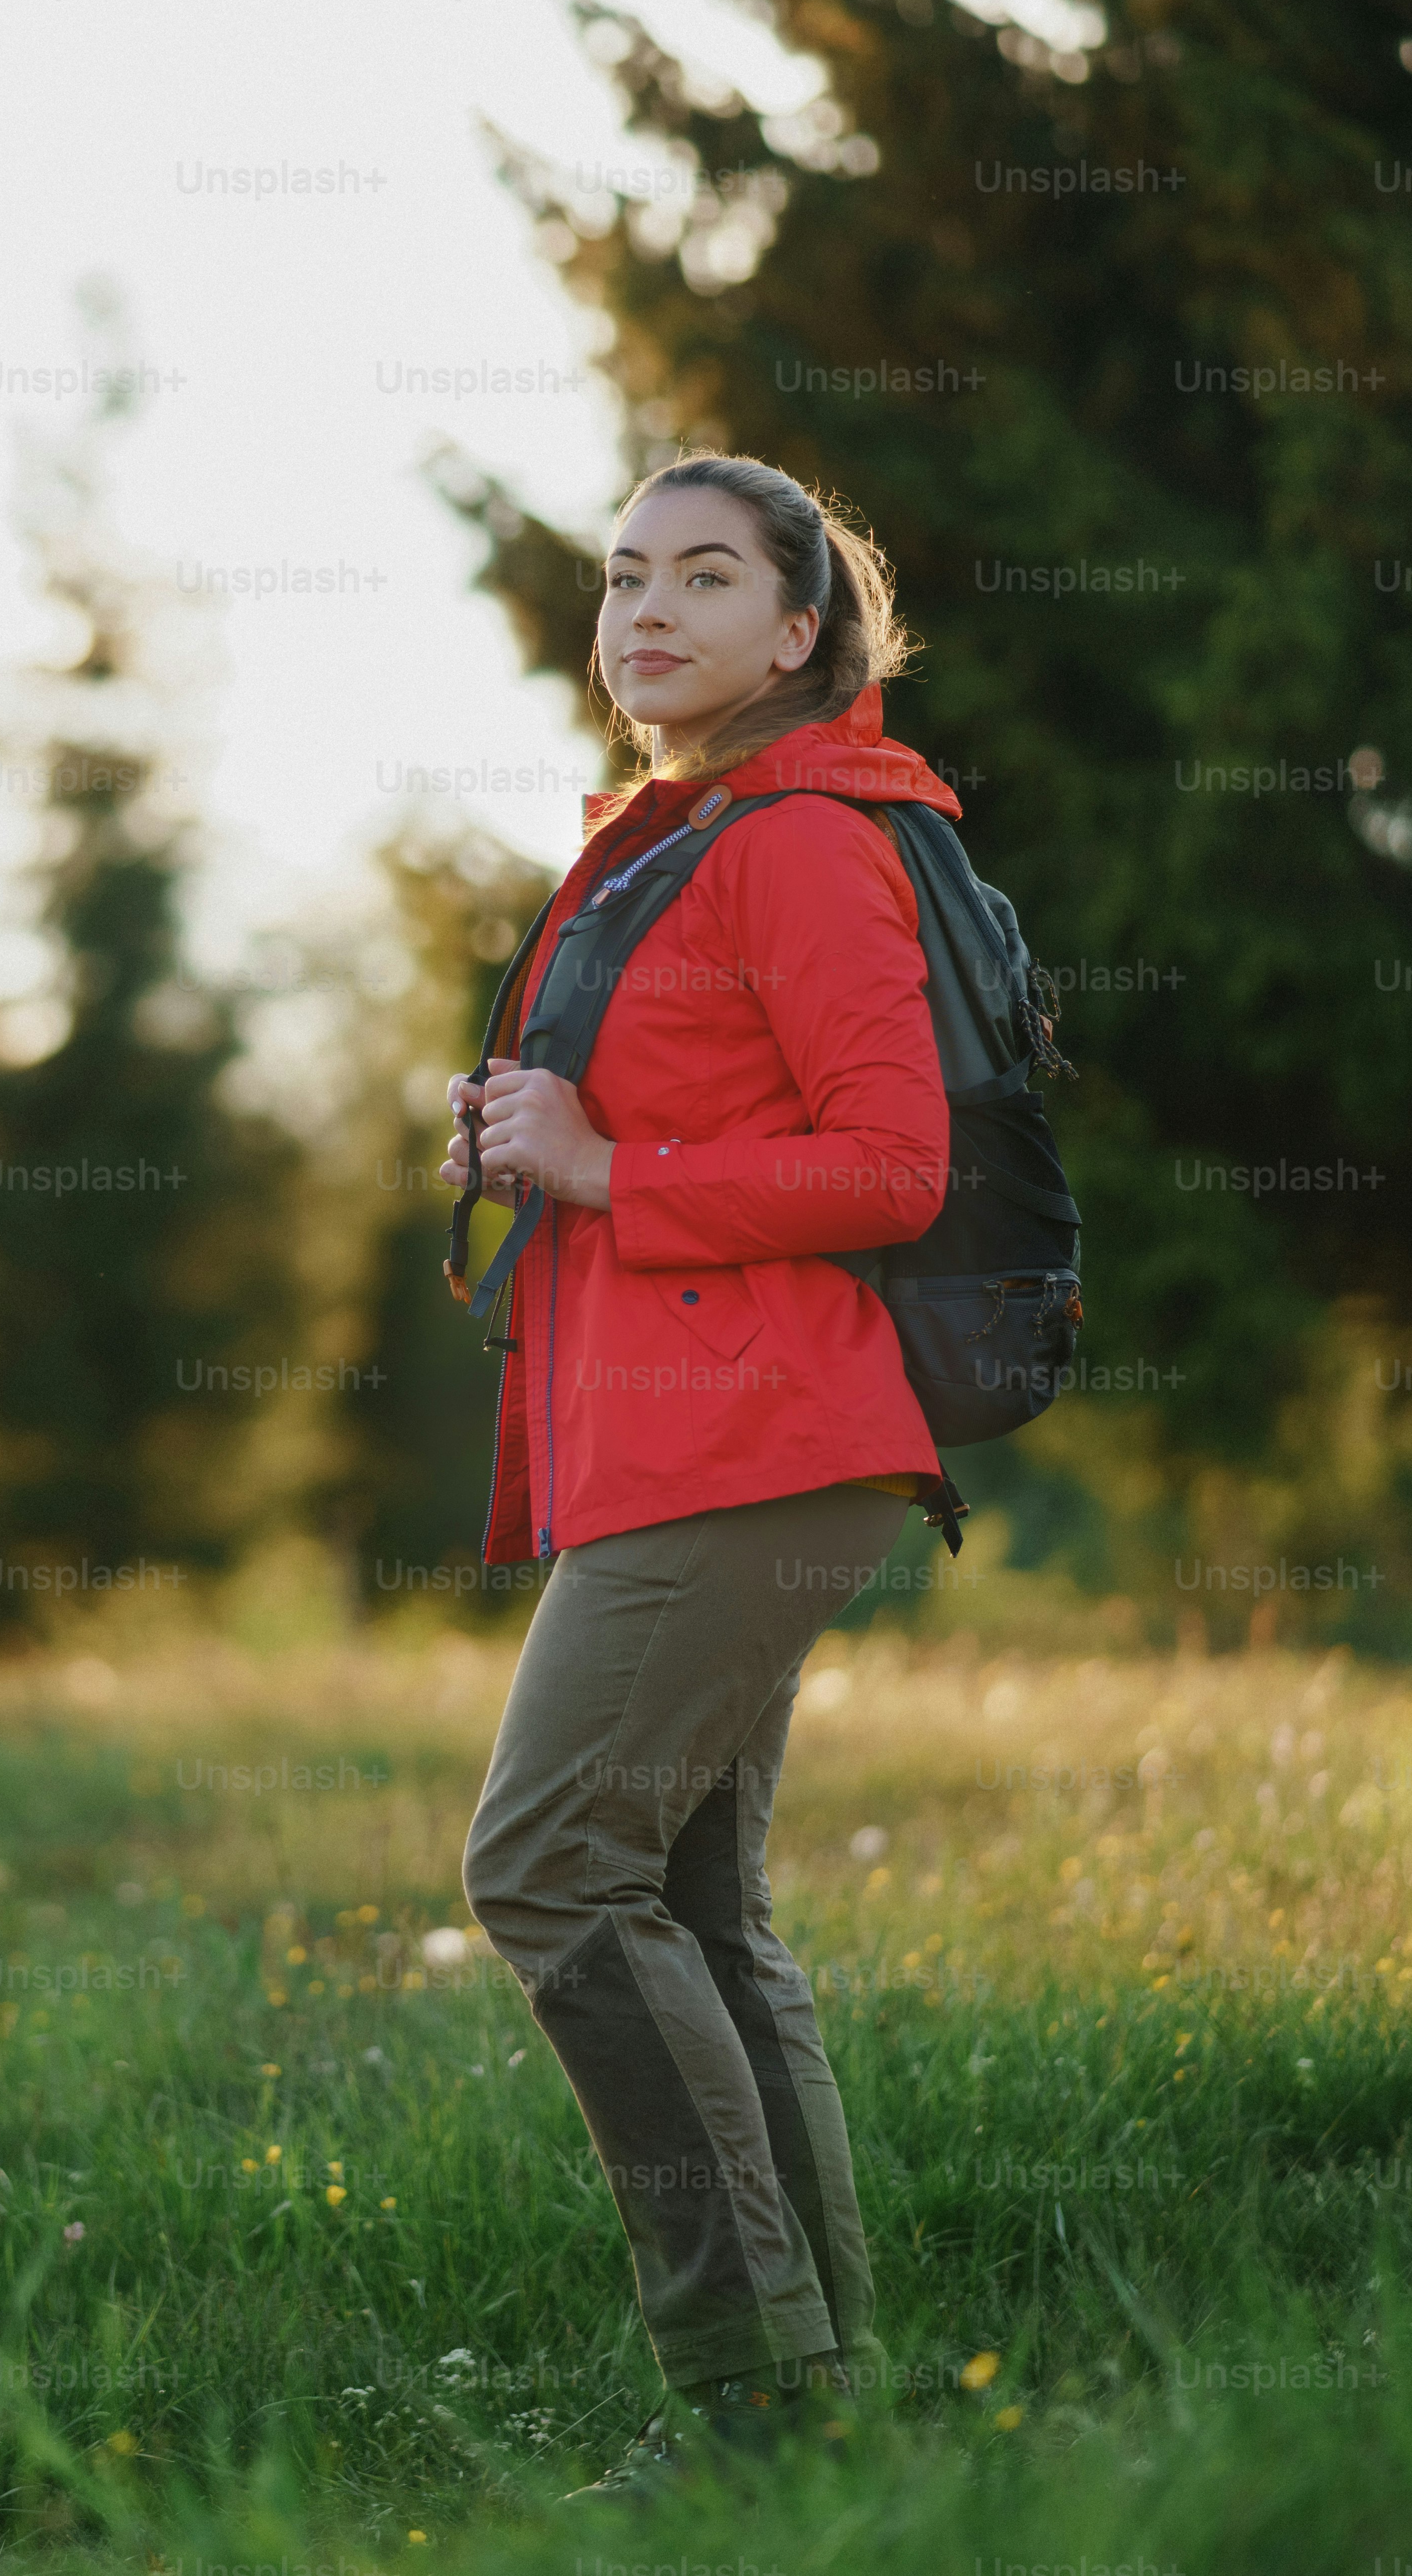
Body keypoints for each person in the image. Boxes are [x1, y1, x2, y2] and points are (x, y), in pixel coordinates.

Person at [440, 453, 954, 2502]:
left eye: (703, 577)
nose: (643, 611)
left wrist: (596, 1165)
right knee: (690, 1906)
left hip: (756, 1443)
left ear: (800, 632)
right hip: (688, 1436)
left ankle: (744, 2400)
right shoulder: (677, 840)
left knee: (544, 1863)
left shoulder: (801, 844)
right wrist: (548, 1141)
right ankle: (818, 2410)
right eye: (622, 575)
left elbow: (890, 1167)